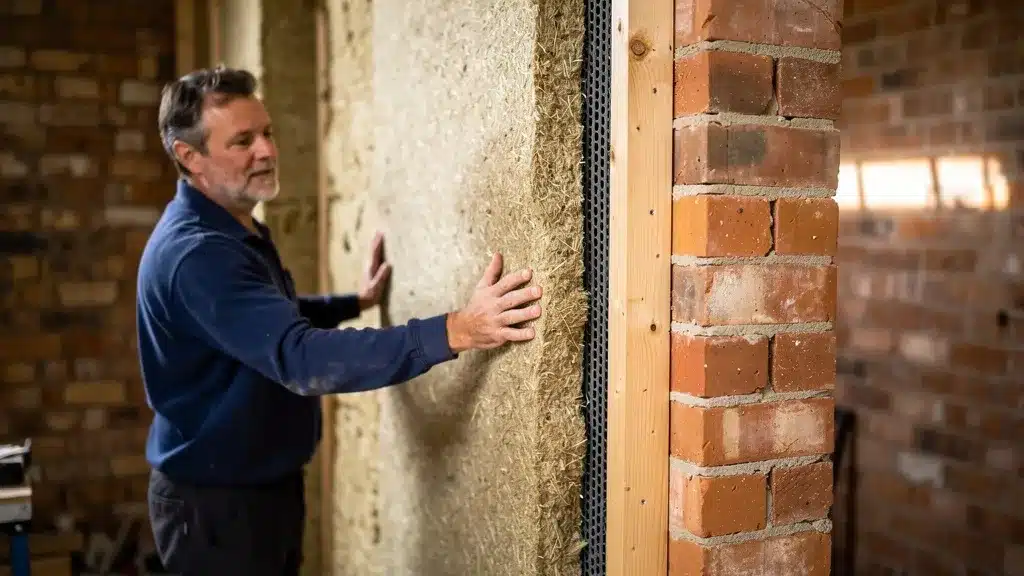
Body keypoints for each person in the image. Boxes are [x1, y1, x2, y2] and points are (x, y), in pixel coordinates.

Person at [137, 66, 543, 575]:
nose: (266, 150)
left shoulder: (229, 223)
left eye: (267, 132)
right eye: (242, 141)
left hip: (257, 489)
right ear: (188, 156)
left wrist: (356, 302)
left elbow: (257, 322)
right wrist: (457, 329)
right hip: (217, 510)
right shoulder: (197, 254)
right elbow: (300, 357)